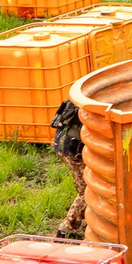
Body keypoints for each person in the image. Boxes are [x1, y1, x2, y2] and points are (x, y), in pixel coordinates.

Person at [51, 95, 87, 237]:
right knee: (87, 191)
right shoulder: (91, 106)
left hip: (63, 145)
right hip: (71, 150)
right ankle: (66, 229)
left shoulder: (82, 97)